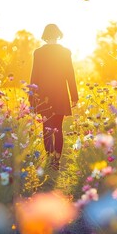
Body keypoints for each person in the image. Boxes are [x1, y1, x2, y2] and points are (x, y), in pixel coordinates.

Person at [29, 24, 78, 170]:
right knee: (58, 127)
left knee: (47, 127)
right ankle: (56, 160)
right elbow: (70, 75)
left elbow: (34, 76)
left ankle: (49, 158)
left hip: (43, 95)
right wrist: (74, 96)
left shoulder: (38, 53)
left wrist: (31, 98)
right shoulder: (65, 52)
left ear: (45, 35)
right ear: (58, 35)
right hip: (61, 95)